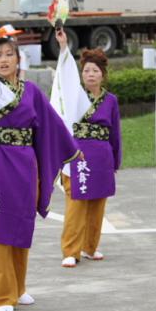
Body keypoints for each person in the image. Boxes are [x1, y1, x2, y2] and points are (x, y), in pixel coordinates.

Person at [0, 10, 78, 311]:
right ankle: (1, 295)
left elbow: (51, 125)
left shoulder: (32, 92)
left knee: (21, 224)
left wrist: (72, 149)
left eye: (8, 54)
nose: (2, 59)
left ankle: (19, 287)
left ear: (18, 59)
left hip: (26, 164)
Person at [52, 29, 122, 267]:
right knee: (76, 202)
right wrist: (63, 47)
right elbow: (64, 75)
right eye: (87, 70)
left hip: (102, 156)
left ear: (103, 75)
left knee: (97, 203)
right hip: (78, 153)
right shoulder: (75, 95)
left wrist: (116, 160)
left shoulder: (110, 100)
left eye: (95, 71)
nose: (90, 74)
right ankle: (71, 250)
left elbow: (115, 133)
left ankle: (90, 247)